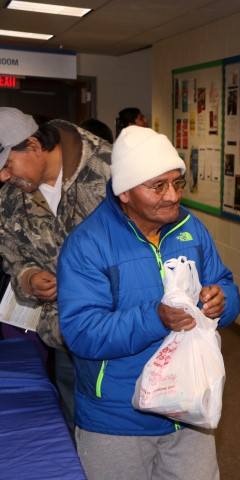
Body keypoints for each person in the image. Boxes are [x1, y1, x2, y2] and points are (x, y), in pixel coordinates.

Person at [57, 125, 240, 480]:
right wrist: (156, 317)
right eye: (157, 186)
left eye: (177, 183)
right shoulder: (88, 244)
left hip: (189, 409)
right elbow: (81, 333)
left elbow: (225, 285)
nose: (172, 195)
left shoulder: (191, 229)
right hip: (117, 419)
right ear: (124, 192)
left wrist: (223, 301)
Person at [0, 107, 112, 433]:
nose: (4, 177)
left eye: (8, 165)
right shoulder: (11, 197)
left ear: (34, 146)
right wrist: (29, 278)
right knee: (73, 423)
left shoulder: (108, 171)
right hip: (62, 334)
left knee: (121, 436)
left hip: (119, 334)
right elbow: (13, 255)